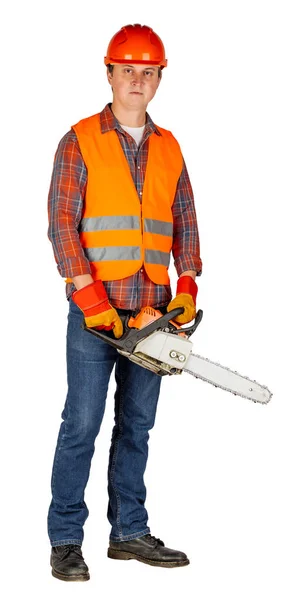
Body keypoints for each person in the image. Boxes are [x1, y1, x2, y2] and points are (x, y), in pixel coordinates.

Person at [47, 23, 202, 581]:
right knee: (82, 423)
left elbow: (184, 222)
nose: (137, 81)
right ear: (109, 72)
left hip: (152, 316)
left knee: (137, 424)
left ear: (159, 79)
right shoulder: (80, 139)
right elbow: (62, 226)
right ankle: (65, 536)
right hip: (94, 315)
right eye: (128, 70)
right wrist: (88, 295)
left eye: (148, 72)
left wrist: (187, 287)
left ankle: (128, 532)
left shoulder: (169, 148)